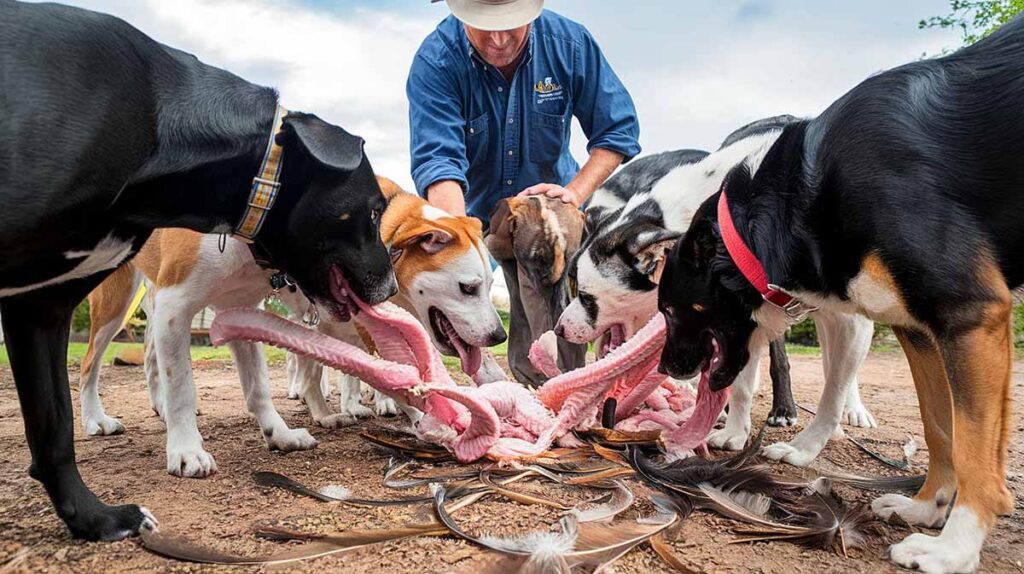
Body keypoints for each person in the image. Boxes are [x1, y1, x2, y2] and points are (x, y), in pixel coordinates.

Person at [408, 0, 640, 383]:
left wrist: (575, 193)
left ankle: (564, 382)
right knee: (460, 277)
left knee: (543, 249)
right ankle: (517, 378)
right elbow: (439, 161)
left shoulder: (570, 45)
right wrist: (458, 240)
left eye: (511, 26)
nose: (498, 40)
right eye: (484, 26)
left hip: (550, 205)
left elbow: (618, 131)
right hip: (476, 213)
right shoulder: (436, 60)